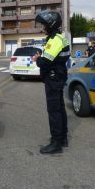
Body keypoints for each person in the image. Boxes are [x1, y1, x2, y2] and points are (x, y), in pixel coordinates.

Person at [34, 10, 70, 155]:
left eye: (44, 25)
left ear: (51, 24)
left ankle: (56, 143)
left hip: (53, 80)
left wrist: (38, 59)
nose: (42, 27)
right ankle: (63, 138)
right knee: (60, 109)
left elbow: (45, 63)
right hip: (59, 78)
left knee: (54, 111)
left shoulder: (55, 40)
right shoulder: (60, 38)